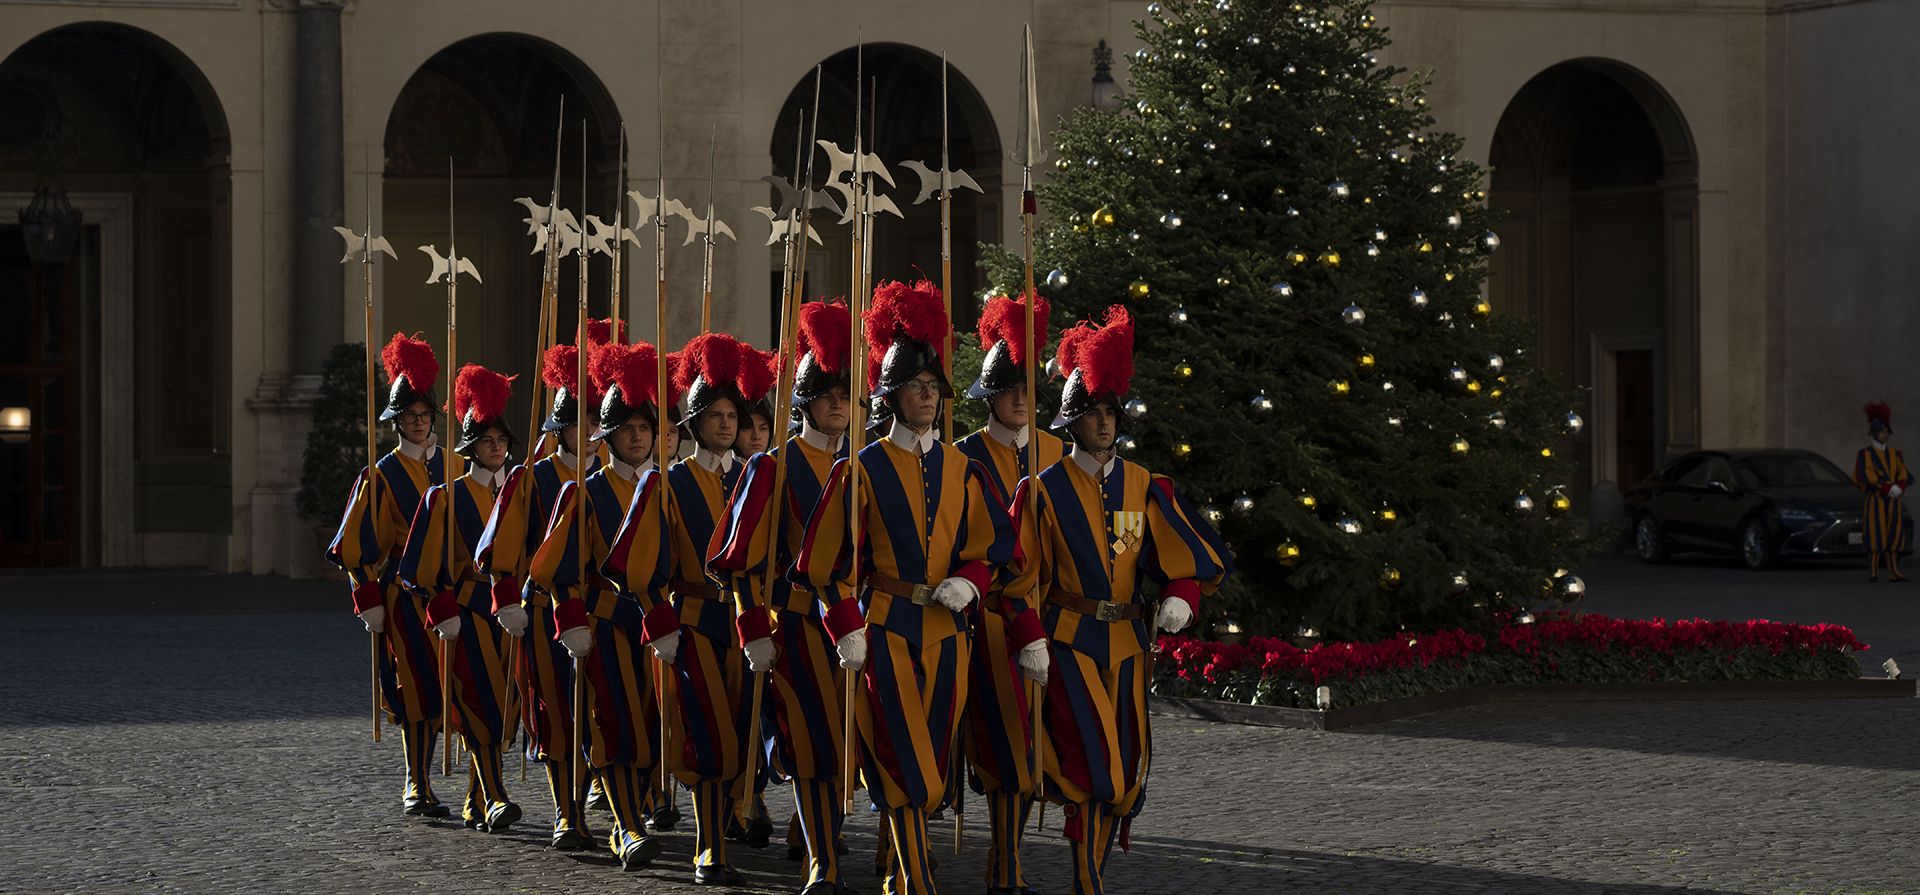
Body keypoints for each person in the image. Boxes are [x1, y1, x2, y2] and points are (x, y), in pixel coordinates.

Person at [795, 279, 1014, 895]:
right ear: (891, 395)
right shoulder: (858, 470)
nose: (928, 397)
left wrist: (969, 584)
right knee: (903, 756)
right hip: (886, 626)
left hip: (948, 632)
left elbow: (992, 547)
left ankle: (904, 868)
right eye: (916, 387)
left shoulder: (960, 467)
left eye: (934, 387)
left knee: (936, 758)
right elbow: (825, 566)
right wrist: (846, 626)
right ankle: (916, 880)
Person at [1003, 306, 1230, 895]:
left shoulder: (1141, 482)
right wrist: (1028, 634)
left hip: (1128, 642)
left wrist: (1181, 593)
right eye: (1093, 413)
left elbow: (1181, 551)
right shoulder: (1042, 489)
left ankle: (1090, 877)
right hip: (1068, 639)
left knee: (1125, 771)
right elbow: (1017, 573)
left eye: (1111, 412)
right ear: (1072, 419)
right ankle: (1087, 883)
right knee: (1094, 765)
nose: (1104, 423)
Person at [709, 301, 855, 895]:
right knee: (812, 743)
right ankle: (820, 858)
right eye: (827, 395)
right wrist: (754, 631)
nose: (838, 405)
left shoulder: (862, 464)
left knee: (850, 744)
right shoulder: (774, 467)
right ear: (805, 402)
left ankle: (821, 835)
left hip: (861, 626)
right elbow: (738, 563)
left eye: (846, 395)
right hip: (797, 626)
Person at [607, 332, 757, 885]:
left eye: (730, 414)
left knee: (739, 736)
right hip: (692, 621)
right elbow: (634, 566)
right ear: (693, 423)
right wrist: (658, 622)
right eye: (713, 415)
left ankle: (724, 834)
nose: (724, 424)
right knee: (708, 735)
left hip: (741, 621)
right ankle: (708, 848)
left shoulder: (749, 478)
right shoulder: (666, 486)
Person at [527, 339, 680, 871]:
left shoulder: (666, 491)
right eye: (628, 428)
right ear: (607, 435)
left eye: (646, 428)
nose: (638, 437)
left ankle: (636, 809)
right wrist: (572, 621)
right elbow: (557, 570)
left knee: (654, 726)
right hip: (607, 624)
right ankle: (624, 825)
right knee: (615, 722)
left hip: (660, 625)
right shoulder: (582, 494)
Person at [474, 335, 603, 849]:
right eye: (580, 423)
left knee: (607, 708)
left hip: (607, 609)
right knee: (555, 712)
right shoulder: (530, 478)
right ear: (560, 428)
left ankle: (612, 805)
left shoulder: (616, 476)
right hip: (549, 611)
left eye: (596, 423)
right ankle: (567, 813)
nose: (590, 432)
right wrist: (507, 599)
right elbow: (498, 547)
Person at [953, 292, 1062, 895]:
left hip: (1051, 619)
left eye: (1029, 388)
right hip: (985, 620)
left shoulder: (1056, 457)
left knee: (1040, 743)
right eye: (1010, 388)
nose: (1022, 399)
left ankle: (1007, 855)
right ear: (990, 393)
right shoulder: (962, 457)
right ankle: (1000, 860)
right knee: (1004, 746)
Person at [327, 332, 453, 818]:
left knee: (454, 686)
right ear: (397, 422)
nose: (419, 424)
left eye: (425, 417)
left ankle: (478, 790)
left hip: (451, 589)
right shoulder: (380, 475)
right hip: (404, 595)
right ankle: (415, 781)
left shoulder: (453, 465)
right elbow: (356, 545)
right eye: (410, 418)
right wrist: (368, 598)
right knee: (414, 687)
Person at [397, 363, 523, 834]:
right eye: (488, 441)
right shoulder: (445, 497)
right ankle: (495, 795)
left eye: (502, 441)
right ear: (471, 445)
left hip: (510, 613)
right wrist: (441, 609)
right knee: (479, 702)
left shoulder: (517, 492)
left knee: (506, 706)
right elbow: (420, 569)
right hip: (468, 611)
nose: (496, 448)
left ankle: (475, 797)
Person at [1855, 402, 1913, 582]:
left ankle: (1893, 570)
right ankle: (1873, 571)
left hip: (1893, 501)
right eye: (1881, 431)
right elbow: (1866, 477)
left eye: (1887, 431)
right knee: (1876, 533)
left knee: (1893, 534)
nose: (1885, 434)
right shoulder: (1865, 454)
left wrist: (1899, 488)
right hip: (1876, 501)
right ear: (1874, 432)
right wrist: (1888, 488)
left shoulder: (1895, 454)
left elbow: (1904, 475)